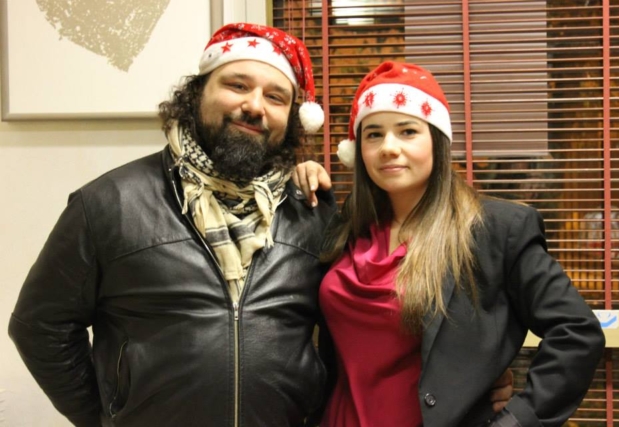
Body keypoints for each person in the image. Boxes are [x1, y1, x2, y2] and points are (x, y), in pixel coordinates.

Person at [8, 24, 512, 427]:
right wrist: (104, 417)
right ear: (197, 92)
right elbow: (39, 326)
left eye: (276, 96)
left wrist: (471, 373)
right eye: (236, 85)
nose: (254, 105)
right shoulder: (109, 203)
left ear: (293, 118)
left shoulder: (312, 209)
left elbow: (372, 322)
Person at [297, 61, 606, 427]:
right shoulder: (349, 224)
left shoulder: (492, 231)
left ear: (437, 141)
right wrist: (296, 176)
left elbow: (577, 333)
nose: (388, 148)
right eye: (374, 134)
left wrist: (515, 421)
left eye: (408, 131)